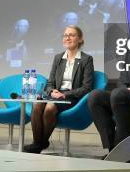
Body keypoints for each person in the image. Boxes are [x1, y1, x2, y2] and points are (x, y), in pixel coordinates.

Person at [24, 25, 94, 153]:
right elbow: (50, 82)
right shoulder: (58, 58)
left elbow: (86, 88)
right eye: (65, 35)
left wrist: (64, 94)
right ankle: (38, 143)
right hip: (54, 95)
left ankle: (40, 144)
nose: (67, 38)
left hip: (71, 97)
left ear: (80, 39)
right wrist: (52, 91)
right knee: (37, 104)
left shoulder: (86, 59)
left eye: (71, 35)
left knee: (50, 107)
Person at [87, 68, 130, 154]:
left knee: (118, 94)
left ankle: (124, 153)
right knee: (95, 96)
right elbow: (122, 81)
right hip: (127, 95)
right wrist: (126, 90)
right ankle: (112, 150)